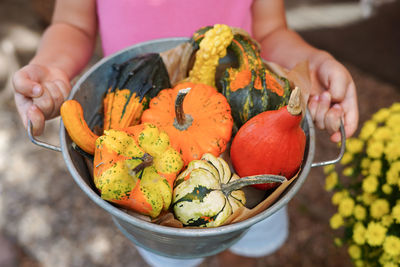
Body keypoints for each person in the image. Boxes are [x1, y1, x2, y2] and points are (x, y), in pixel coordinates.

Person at [12, 0, 359, 266]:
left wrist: (309, 62)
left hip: (253, 178)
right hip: (145, 132)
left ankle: (238, 251)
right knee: (173, 255)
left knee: (251, 236)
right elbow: (72, 24)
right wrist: (53, 65)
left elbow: (271, 31)